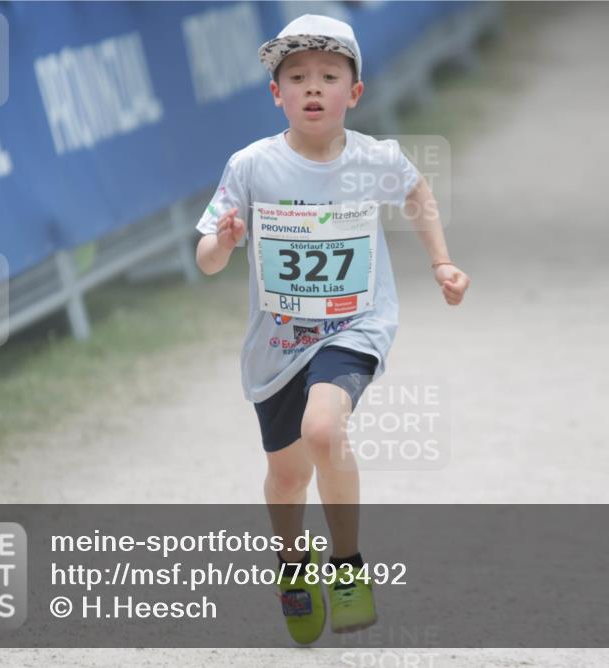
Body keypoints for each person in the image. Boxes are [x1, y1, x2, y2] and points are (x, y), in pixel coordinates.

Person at [195, 14, 469, 645]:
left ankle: (346, 566)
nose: (312, 88)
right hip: (277, 346)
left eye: (327, 76)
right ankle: (293, 564)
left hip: (355, 324)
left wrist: (442, 262)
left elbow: (417, 193)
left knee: (324, 427)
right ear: (276, 94)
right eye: (296, 77)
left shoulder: (376, 158)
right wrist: (225, 243)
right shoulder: (251, 166)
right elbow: (206, 258)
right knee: (288, 475)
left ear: (355, 91)